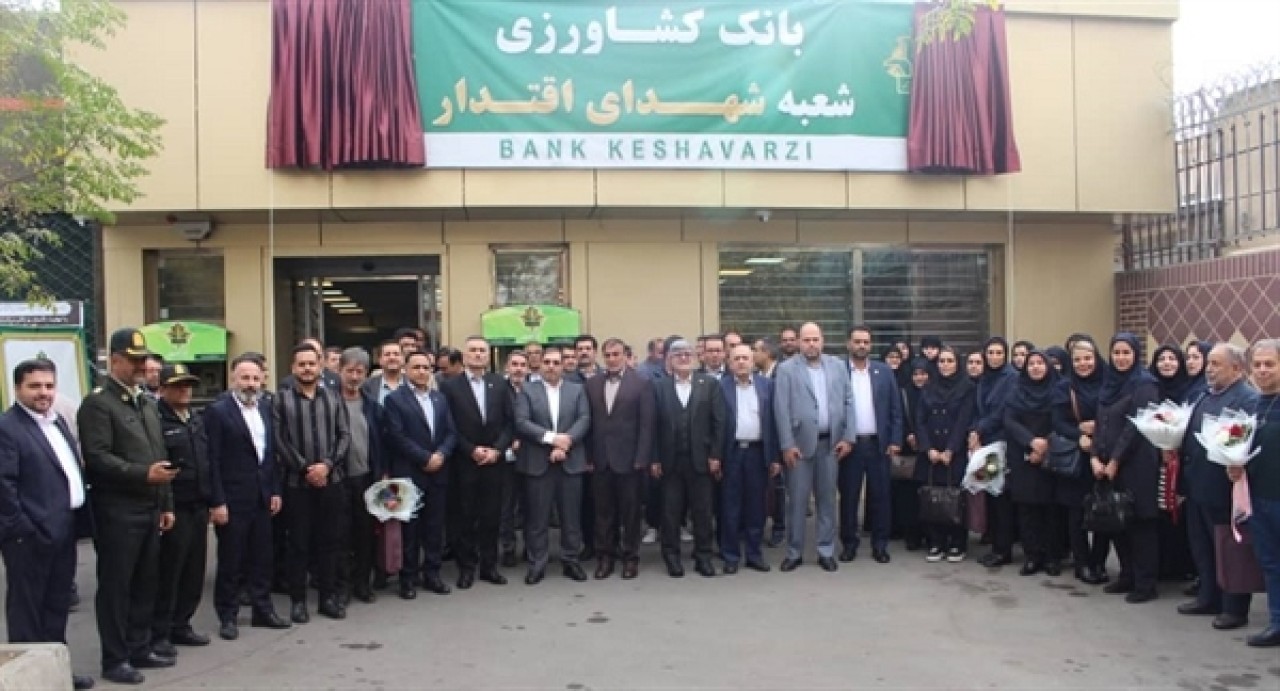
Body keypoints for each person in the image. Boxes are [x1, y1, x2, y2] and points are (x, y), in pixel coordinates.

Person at [79, 328, 177, 685]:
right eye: (134, 360)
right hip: (118, 510)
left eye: (143, 360)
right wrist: (142, 475)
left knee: (145, 582)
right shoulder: (99, 404)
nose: (141, 366)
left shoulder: (145, 403)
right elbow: (98, 457)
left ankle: (139, 647)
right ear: (115, 360)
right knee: (117, 587)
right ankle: (115, 657)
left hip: (149, 507)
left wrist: (165, 503)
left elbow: (159, 454)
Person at [0, 359, 95, 690]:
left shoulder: (57, 422)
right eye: (35, 386)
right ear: (17, 389)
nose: (43, 392)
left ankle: (56, 670)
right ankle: (28, 680)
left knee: (56, 606)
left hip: (63, 530)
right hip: (29, 537)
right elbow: (4, 487)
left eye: (49, 385)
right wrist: (23, 530)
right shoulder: (8, 428)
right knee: (28, 610)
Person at [205, 354, 290, 641]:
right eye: (245, 378)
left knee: (262, 558)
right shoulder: (218, 412)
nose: (251, 384)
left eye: (255, 378)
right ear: (233, 379)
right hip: (232, 499)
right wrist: (217, 501)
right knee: (231, 560)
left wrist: (274, 490)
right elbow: (212, 460)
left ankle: (262, 610)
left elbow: (270, 455)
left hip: (262, 497)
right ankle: (227, 616)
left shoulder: (265, 408)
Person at [1179, 343, 1258, 629]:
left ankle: (1234, 607)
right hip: (1198, 485)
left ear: (1236, 368)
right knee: (1202, 546)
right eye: (1209, 363)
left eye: (1216, 364)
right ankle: (1208, 596)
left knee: (1229, 549)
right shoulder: (1205, 394)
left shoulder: (1247, 399)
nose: (1209, 369)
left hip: (1224, 488)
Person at [275, 344, 350, 623]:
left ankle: (327, 598)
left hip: (332, 481)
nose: (307, 368)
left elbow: (344, 436)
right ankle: (298, 602)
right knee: (298, 544)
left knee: (329, 542)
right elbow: (279, 439)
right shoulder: (281, 400)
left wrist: (327, 465)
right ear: (293, 368)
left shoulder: (334, 397)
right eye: (302, 364)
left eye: (311, 363)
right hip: (297, 484)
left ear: (320, 366)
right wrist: (306, 468)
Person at [772, 323, 855, 573]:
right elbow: (781, 409)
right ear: (799, 342)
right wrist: (787, 444)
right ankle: (794, 552)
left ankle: (825, 550)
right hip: (798, 447)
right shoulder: (786, 369)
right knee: (797, 502)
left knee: (827, 500)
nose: (811, 344)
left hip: (830, 445)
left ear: (822, 340)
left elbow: (849, 402)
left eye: (815, 339)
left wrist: (848, 437)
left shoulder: (838, 366)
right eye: (806, 340)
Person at [438, 336, 514, 589]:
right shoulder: (450, 386)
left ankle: (489, 567)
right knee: (465, 517)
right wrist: (471, 450)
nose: (478, 354)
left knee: (491, 516)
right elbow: (448, 425)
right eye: (473, 350)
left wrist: (497, 450)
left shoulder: (499, 384)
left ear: (488, 355)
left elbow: (510, 422)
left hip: (494, 461)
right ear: (465, 355)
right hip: (465, 462)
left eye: (482, 350)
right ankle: (467, 568)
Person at [151, 364, 214, 658]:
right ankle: (160, 631)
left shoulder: (196, 418)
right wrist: (165, 506)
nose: (184, 390)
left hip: (199, 504)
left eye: (188, 385)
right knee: (170, 571)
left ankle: (182, 624)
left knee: (194, 570)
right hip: (175, 506)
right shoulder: (156, 419)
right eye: (177, 386)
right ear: (163, 389)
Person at [1093, 333, 1162, 604]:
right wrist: (1095, 456)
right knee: (1118, 522)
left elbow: (1135, 426)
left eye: (1126, 353)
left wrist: (1115, 460)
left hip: (1137, 464)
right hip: (1108, 464)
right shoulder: (1109, 383)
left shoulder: (1145, 384)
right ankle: (1127, 575)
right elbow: (1100, 423)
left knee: (1140, 523)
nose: (1121, 358)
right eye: (1116, 353)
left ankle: (1145, 583)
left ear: (1136, 354)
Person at [513, 348, 591, 584]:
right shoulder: (527, 390)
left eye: (556, 362)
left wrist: (566, 443)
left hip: (571, 461)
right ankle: (537, 563)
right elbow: (522, 422)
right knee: (537, 518)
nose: (551, 366)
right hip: (538, 462)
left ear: (564, 365)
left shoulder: (577, 390)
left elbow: (584, 419)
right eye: (547, 362)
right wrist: (552, 439)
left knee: (571, 517)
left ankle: (571, 560)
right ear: (539, 364)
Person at [383, 351, 456, 599]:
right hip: (409, 473)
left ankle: (432, 574)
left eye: (426, 367)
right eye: (416, 367)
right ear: (406, 370)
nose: (422, 372)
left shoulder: (439, 398)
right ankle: (408, 578)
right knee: (409, 530)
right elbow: (396, 436)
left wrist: (441, 454)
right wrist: (425, 458)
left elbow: (451, 432)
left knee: (434, 528)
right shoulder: (395, 400)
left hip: (438, 472)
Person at [652, 339, 726, 578]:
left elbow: (719, 423)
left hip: (701, 460)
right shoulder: (659, 387)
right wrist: (654, 458)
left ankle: (703, 557)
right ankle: (671, 557)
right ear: (669, 360)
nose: (683, 358)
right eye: (678, 355)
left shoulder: (710, 384)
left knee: (702, 511)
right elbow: (651, 425)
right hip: (669, 461)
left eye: (687, 354)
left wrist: (716, 455)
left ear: (695, 357)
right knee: (670, 512)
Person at [584, 338, 655, 580]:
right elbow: (589, 423)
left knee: (630, 513)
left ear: (625, 355)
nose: (612, 359)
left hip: (630, 459)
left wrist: (642, 457)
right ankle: (605, 558)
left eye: (616, 354)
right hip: (601, 459)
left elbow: (647, 424)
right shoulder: (592, 384)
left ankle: (630, 558)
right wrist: (589, 456)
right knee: (603, 514)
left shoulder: (641, 383)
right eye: (608, 355)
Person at [1229, 339, 1280, 647]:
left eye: (1269, 364)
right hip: (1258, 499)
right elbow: (1236, 447)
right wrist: (1233, 466)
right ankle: (1277, 622)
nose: (1262, 370)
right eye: (1257, 364)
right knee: (1270, 563)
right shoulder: (1252, 405)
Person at [838, 326, 904, 564]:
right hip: (850, 445)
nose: (861, 346)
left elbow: (895, 409)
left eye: (866, 342)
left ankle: (880, 545)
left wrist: (895, 439)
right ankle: (849, 544)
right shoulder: (839, 371)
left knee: (880, 497)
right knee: (849, 497)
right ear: (848, 344)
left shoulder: (883, 372)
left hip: (878, 444)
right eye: (857, 341)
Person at [1052, 339, 1110, 585]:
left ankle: (1099, 561)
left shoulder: (1110, 382)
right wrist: (1079, 434)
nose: (1083, 364)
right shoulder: (1064, 386)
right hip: (1077, 458)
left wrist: (1099, 426)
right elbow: (1057, 421)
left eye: (1088, 358)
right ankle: (1082, 563)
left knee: (1105, 510)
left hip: (1106, 455)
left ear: (1096, 358)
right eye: (1077, 360)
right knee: (1076, 513)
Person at [719, 344, 779, 573]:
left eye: (745, 358)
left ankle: (754, 554)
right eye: (737, 358)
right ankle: (731, 556)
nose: (741, 362)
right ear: (729, 363)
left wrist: (774, 457)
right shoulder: (720, 387)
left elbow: (774, 422)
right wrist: (715, 456)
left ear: (753, 362)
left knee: (756, 507)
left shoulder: (768, 386)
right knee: (730, 506)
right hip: (731, 453)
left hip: (758, 452)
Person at [1003, 351, 1062, 576]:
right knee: (1027, 509)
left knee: (1051, 511)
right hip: (1022, 454)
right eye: (1031, 364)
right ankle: (1032, 556)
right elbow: (1009, 420)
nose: (1036, 367)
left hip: (1051, 454)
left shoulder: (1058, 390)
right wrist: (1030, 442)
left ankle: (1052, 557)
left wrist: (1045, 445)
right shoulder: (1017, 390)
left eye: (1040, 363)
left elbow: (1062, 420)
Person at [915, 347, 975, 562]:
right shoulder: (928, 387)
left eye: (950, 360)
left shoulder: (967, 387)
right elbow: (920, 419)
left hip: (954, 452)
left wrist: (950, 449)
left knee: (956, 497)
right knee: (932, 496)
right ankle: (936, 542)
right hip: (931, 451)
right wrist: (928, 448)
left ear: (957, 363)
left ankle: (957, 543)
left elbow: (963, 420)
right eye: (941, 361)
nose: (945, 365)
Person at [335, 348, 384, 605]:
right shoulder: (328, 402)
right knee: (341, 535)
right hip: (338, 479)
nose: (354, 377)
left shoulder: (373, 407)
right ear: (339, 371)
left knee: (366, 534)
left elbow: (381, 443)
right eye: (349, 371)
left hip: (366, 478)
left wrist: (382, 472)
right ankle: (342, 586)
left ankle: (362, 583)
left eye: (360, 372)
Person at [1148, 344, 1197, 583]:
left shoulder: (1191, 390)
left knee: (1180, 513)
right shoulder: (1150, 389)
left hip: (1182, 462)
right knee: (1159, 512)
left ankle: (1182, 565)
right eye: (1161, 359)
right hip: (1155, 463)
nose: (1167, 363)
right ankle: (1160, 564)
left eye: (1172, 358)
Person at [971, 337, 1019, 568]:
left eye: (999, 353)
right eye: (990, 352)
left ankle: (1003, 550)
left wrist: (979, 430)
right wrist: (975, 432)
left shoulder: (1011, 377)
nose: (994, 357)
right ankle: (996, 545)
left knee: (1001, 497)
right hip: (986, 444)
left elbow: (1002, 411)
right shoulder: (985, 378)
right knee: (990, 492)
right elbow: (978, 409)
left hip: (1002, 444)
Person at [891, 358, 930, 551]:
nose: (919, 378)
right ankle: (911, 535)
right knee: (908, 496)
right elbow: (897, 416)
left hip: (929, 450)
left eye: (923, 374)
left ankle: (928, 533)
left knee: (928, 493)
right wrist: (908, 435)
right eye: (916, 374)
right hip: (909, 450)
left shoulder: (935, 392)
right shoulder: (904, 393)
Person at [500, 350, 529, 567]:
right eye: (515, 364)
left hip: (531, 455)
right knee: (506, 506)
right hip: (505, 456)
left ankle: (530, 547)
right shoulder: (499, 390)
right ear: (507, 367)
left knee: (531, 505)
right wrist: (510, 441)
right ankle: (508, 547)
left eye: (522, 365)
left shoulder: (535, 390)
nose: (518, 369)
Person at [362, 340, 407, 404]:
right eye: (387, 354)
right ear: (379, 360)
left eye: (396, 354)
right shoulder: (367, 385)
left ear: (403, 359)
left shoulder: (413, 383)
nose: (392, 358)